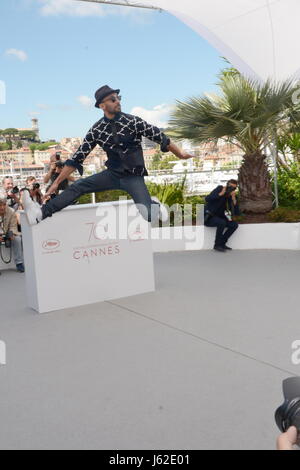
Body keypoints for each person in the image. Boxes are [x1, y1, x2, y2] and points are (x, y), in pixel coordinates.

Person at [22, 85, 193, 226]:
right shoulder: (96, 130)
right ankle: (41, 213)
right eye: (112, 99)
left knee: (148, 215)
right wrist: (56, 183)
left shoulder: (133, 122)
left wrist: (180, 154)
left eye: (118, 98)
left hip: (133, 176)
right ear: (102, 106)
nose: (117, 101)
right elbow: (77, 158)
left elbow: (160, 137)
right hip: (112, 174)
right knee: (79, 186)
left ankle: (153, 206)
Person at [204, 179, 240, 252]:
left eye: (234, 188)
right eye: (230, 186)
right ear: (227, 185)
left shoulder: (230, 196)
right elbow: (207, 199)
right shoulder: (220, 189)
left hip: (221, 217)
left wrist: (233, 199)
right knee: (221, 222)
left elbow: (236, 212)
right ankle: (217, 245)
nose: (231, 189)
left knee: (234, 225)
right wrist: (220, 194)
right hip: (209, 217)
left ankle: (222, 243)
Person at [0, 194, 25, 273]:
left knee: (17, 239)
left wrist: (11, 233)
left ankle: (19, 263)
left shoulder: (11, 211)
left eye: (4, 205)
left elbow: (13, 226)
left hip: (7, 233)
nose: (2, 207)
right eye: (0, 205)